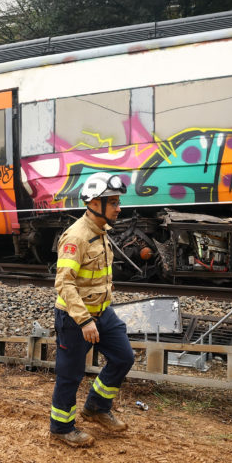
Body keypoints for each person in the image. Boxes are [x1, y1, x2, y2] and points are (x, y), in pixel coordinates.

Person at [49, 172, 135, 448]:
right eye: (113, 203)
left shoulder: (101, 233)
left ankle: (96, 407)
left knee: (123, 357)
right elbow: (64, 283)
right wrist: (85, 320)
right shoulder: (77, 237)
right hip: (76, 318)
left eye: (118, 202)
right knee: (70, 375)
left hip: (102, 313)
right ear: (95, 204)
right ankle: (61, 428)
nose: (119, 208)